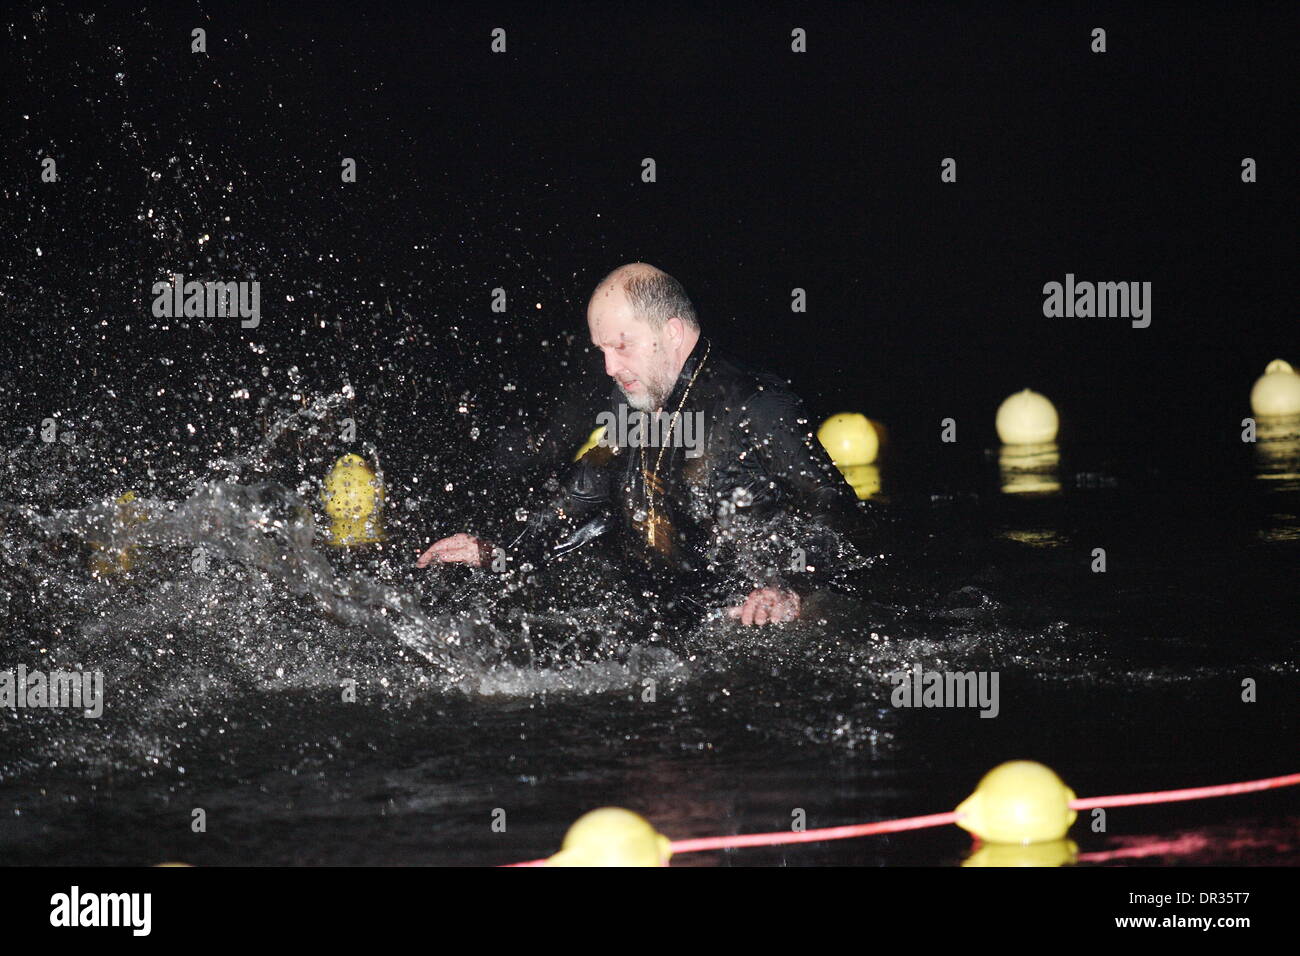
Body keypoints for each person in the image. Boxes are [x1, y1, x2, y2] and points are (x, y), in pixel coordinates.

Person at [417, 263, 867, 626]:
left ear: (671, 332)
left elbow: (836, 507)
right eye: (601, 350)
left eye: (622, 345)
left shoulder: (756, 402)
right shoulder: (634, 400)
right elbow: (586, 490)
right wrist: (501, 551)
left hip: (758, 624)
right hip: (674, 620)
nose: (610, 366)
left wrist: (788, 586)